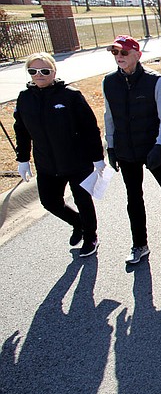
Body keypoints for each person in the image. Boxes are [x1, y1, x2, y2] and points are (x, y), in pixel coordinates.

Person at [102, 35, 161, 265]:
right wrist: (110, 146)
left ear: (137, 55)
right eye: (115, 53)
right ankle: (140, 244)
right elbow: (109, 116)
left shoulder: (155, 81)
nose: (119, 57)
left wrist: (160, 145)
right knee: (133, 197)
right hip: (126, 149)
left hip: (152, 147)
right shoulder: (109, 82)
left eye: (124, 52)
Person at [14, 52, 104, 257]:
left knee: (83, 200)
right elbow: (21, 129)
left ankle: (91, 237)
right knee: (50, 202)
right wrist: (23, 158)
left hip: (77, 161)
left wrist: (97, 157)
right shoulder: (25, 98)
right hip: (46, 163)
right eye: (33, 71)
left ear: (54, 71)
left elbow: (90, 128)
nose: (39, 75)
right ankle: (78, 223)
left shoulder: (70, 96)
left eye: (44, 71)